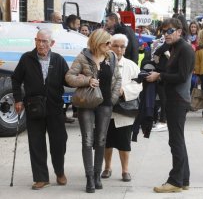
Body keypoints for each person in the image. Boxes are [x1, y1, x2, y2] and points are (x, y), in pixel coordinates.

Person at [65, 29, 122, 193]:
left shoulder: (110, 57)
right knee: (87, 140)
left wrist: (112, 99)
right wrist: (86, 80)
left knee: (101, 140)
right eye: (108, 43)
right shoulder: (83, 57)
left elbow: (117, 78)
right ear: (98, 43)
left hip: (105, 104)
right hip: (87, 104)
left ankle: (97, 175)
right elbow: (69, 77)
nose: (110, 46)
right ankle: (89, 177)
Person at [11, 29, 69, 190]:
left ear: (52, 43)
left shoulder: (58, 60)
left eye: (44, 41)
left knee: (59, 142)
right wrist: (17, 99)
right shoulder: (27, 58)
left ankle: (59, 171)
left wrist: (82, 79)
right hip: (34, 107)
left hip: (55, 107)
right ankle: (41, 177)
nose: (41, 44)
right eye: (38, 40)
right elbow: (15, 79)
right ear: (35, 41)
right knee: (36, 143)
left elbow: (68, 80)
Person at [146, 18, 195, 193]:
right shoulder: (175, 46)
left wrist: (159, 76)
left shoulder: (185, 49)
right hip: (174, 98)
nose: (165, 34)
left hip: (179, 99)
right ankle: (184, 179)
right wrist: (161, 50)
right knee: (178, 139)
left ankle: (175, 181)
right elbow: (160, 50)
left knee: (176, 141)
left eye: (169, 31)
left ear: (179, 31)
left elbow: (181, 77)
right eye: (163, 30)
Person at [101, 34, 140, 182]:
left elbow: (139, 85)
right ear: (109, 45)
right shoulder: (102, 62)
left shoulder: (131, 65)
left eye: (122, 46)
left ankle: (125, 170)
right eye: (115, 45)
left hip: (123, 110)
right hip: (105, 109)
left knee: (124, 143)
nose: (118, 49)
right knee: (106, 141)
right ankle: (107, 167)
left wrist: (124, 90)